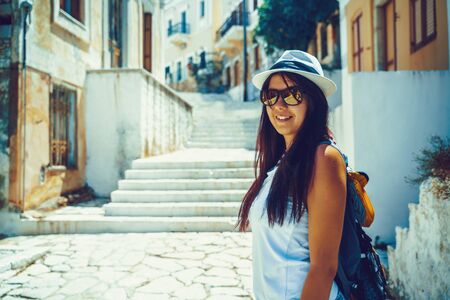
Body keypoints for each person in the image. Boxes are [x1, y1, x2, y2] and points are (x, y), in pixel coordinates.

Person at [237, 50, 348, 300]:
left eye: (291, 94)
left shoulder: (324, 159)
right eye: (271, 95)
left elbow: (324, 268)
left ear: (313, 101)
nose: (279, 105)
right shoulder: (279, 165)